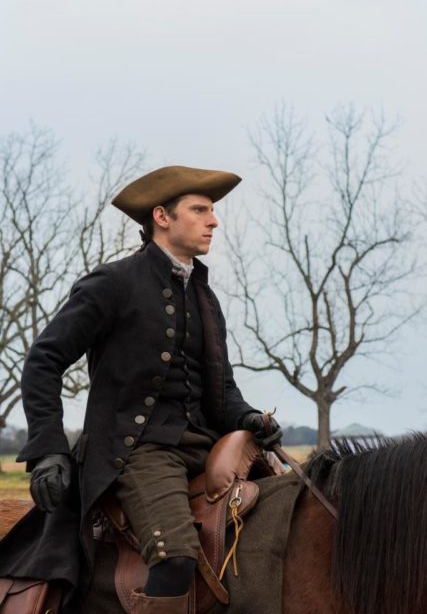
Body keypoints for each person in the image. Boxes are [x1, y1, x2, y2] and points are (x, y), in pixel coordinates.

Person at [11, 166, 282, 614]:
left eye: (212, 211)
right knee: (176, 558)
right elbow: (44, 360)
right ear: (162, 216)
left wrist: (249, 418)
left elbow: (222, 391)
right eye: (200, 210)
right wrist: (48, 448)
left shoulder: (205, 296)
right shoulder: (113, 283)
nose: (213, 220)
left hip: (206, 446)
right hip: (137, 450)